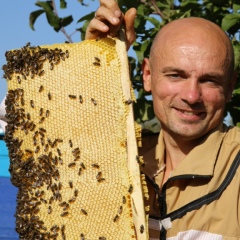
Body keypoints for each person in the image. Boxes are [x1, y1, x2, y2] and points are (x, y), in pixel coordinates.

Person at [0, 1, 239, 239]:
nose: (191, 95)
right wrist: (91, 66)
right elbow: (31, 124)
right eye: (176, 75)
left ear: (230, 87)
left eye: (210, 81)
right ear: (147, 75)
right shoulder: (113, 152)